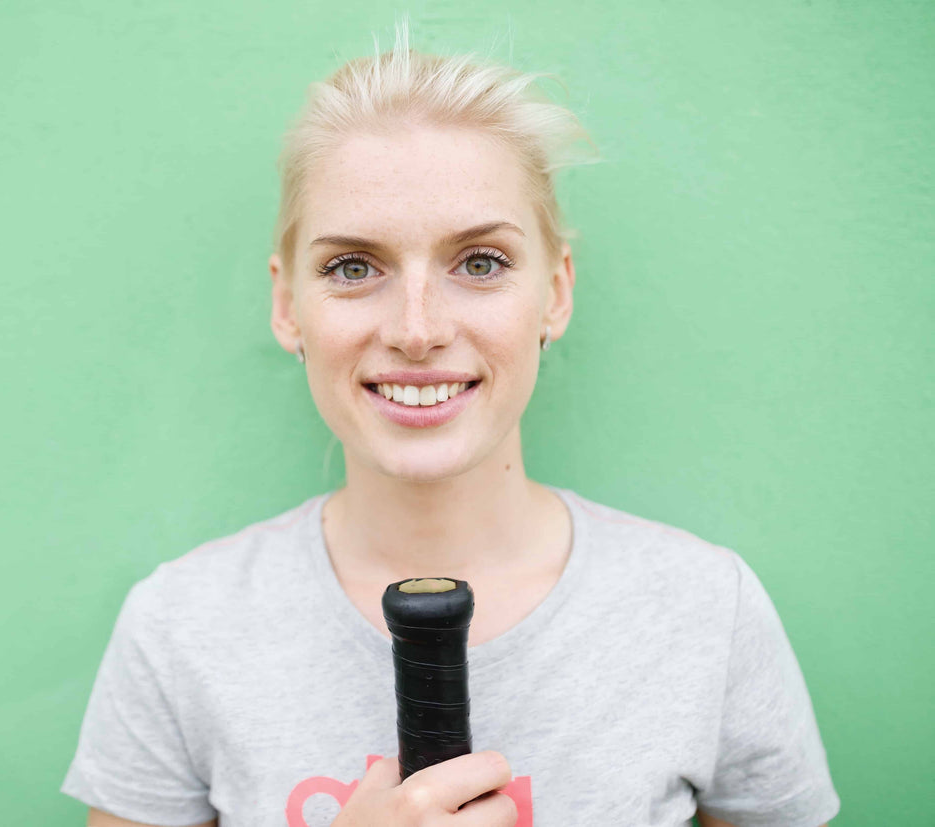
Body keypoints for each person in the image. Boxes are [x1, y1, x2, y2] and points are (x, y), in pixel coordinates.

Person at [61, 18, 840, 827]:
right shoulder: (182, 626)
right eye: (353, 267)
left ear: (557, 292)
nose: (418, 328)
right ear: (289, 305)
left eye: (481, 262)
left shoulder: (706, 611)